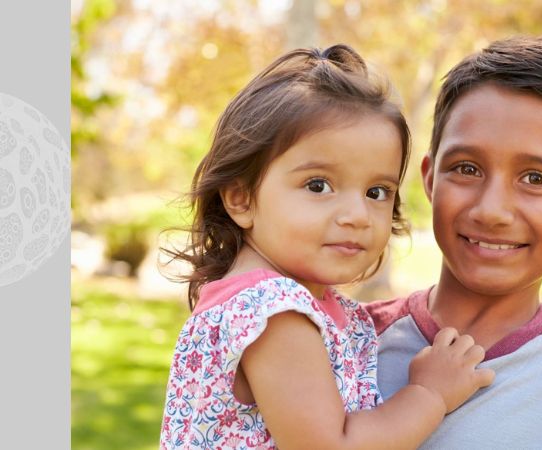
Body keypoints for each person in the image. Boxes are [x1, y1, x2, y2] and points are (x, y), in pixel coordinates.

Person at [159, 44, 494, 450]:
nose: (357, 214)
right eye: (318, 185)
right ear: (241, 199)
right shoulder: (274, 313)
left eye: (376, 191)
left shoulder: (284, 303)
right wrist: (431, 394)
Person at [367, 30, 542, 449]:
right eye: (466, 169)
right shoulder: (346, 337)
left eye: (536, 178)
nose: (491, 210)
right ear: (430, 179)